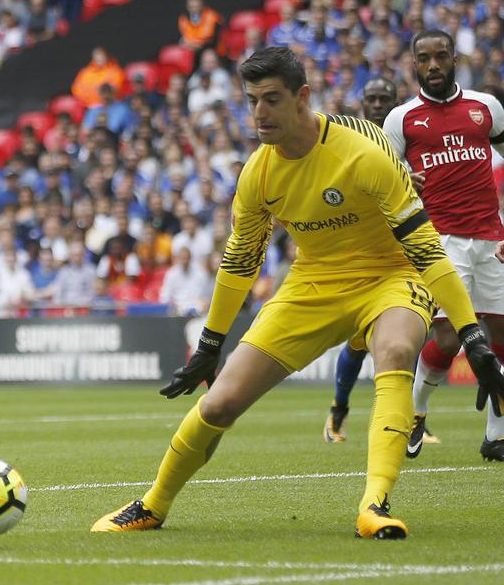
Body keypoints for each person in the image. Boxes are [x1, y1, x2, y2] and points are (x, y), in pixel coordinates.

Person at [92, 47, 504, 540]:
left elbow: (427, 251)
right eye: (252, 101)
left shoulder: (365, 152)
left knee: (395, 350)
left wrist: (472, 337)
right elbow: (240, 263)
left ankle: (375, 504)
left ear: (302, 97)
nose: (260, 113)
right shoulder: (257, 173)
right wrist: (208, 346)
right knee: (220, 404)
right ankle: (152, 505)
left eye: (271, 99)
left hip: (393, 275)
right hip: (313, 283)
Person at [382, 31, 504, 462]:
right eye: (424, 58)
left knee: (502, 340)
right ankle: (417, 411)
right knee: (450, 339)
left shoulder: (485, 107)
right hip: (439, 241)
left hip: (492, 238)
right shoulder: (401, 119)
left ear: (454, 58)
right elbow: (385, 180)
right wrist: (403, 182)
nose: (433, 65)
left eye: (440, 56)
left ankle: (495, 435)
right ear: (413, 64)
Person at [323, 76, 398, 443]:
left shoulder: (405, 140)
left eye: (386, 98)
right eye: (373, 97)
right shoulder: (350, 140)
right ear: (362, 103)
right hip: (358, 251)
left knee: (406, 336)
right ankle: (339, 408)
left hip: (402, 250)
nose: (379, 103)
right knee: (357, 341)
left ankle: (414, 418)